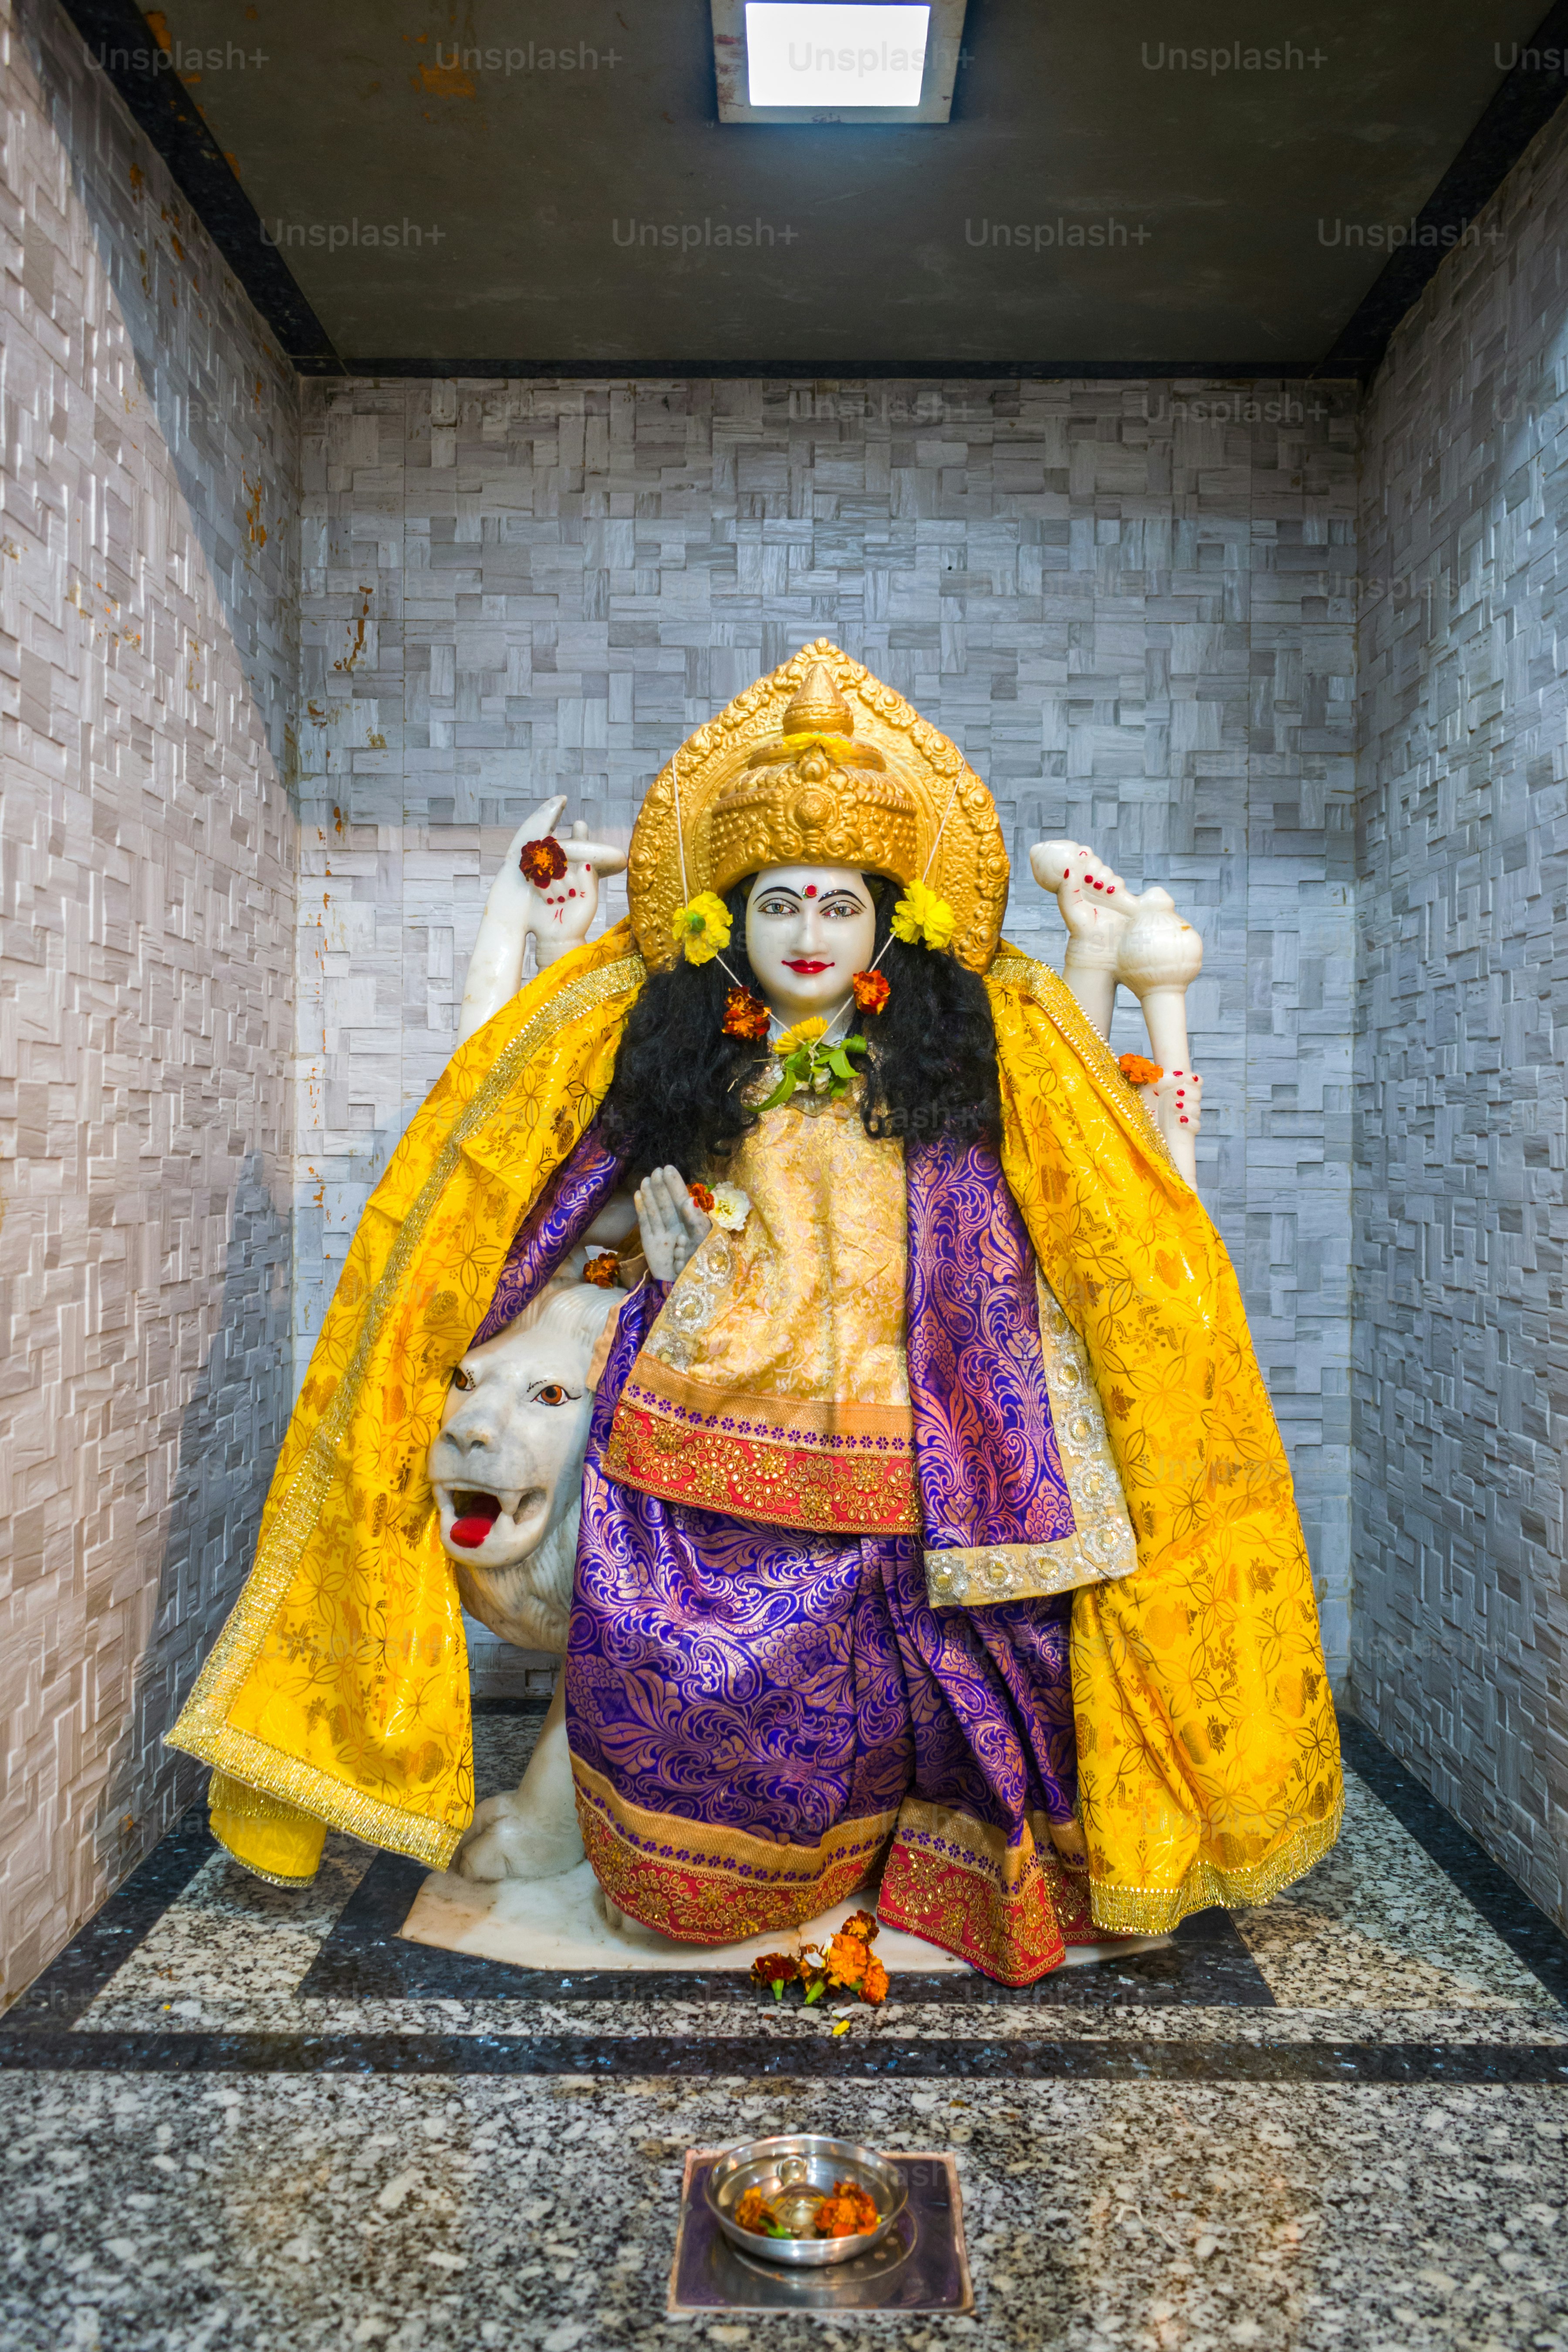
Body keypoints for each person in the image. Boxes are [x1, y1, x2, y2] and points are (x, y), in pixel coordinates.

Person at [170, 643, 1342, 1984]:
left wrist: (1084, 965)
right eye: (779, 901)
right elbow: (573, 1203)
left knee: (897, 1691)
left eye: (839, 905)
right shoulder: (691, 1059)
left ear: (887, 924)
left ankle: (887, 1870)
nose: (808, 932)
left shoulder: (948, 1064)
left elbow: (1033, 1212)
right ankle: (686, 1873)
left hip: (897, 1425)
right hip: (698, 1405)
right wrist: (649, 1231)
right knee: (681, 1662)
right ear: (729, 920)